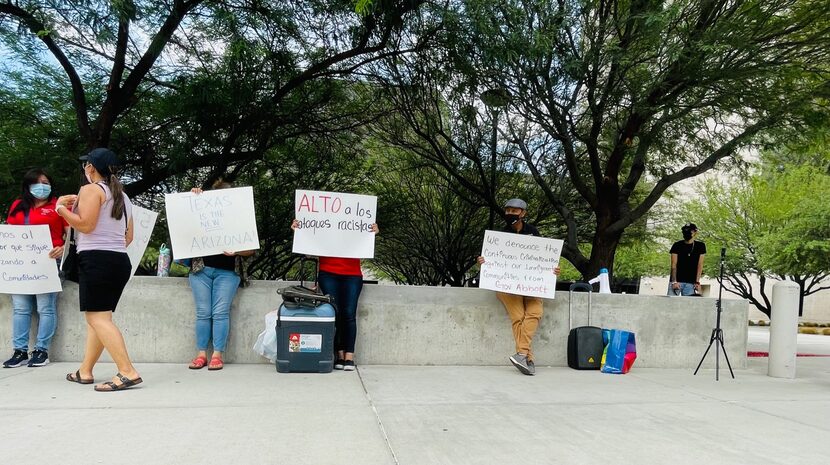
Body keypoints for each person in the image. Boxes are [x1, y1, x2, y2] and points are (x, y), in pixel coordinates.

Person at [55, 148, 142, 391]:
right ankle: (85, 371)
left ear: (90, 167)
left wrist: (60, 209)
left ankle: (127, 371)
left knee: (96, 318)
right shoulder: (124, 197)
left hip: (96, 260)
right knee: (100, 318)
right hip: (118, 260)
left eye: (86, 165)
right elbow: (129, 237)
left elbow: (86, 225)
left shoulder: (91, 190)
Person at [477, 198, 560, 376]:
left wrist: (552, 269)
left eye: (514, 211)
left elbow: (543, 258)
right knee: (519, 317)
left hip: (531, 285)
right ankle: (527, 358)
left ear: (523, 214)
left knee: (535, 312)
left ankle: (522, 354)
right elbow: (491, 261)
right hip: (507, 286)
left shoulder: (533, 233)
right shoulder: (499, 236)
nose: (510, 214)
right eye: (507, 211)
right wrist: (483, 261)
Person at [290, 220, 379, 371]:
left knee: (349, 314)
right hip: (328, 274)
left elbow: (364, 245)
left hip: (352, 275)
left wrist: (372, 233)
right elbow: (308, 249)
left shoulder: (355, 226)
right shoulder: (324, 225)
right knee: (335, 313)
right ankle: (340, 354)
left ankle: (349, 355)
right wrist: (299, 232)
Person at [3, 168, 68, 368]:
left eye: (46, 183)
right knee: (21, 308)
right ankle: (19, 351)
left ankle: (41, 350)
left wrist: (63, 248)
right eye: (38, 182)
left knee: (45, 308)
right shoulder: (16, 206)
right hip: (19, 265)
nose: (42, 186)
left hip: (48, 263)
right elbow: (8, 233)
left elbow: (72, 235)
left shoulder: (58, 206)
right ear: (28, 185)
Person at [187, 180, 255, 371]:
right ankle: (201, 354)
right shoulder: (203, 210)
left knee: (220, 312)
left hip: (228, 272)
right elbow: (185, 221)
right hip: (201, 270)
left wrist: (237, 252)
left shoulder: (242, 219)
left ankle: (217, 354)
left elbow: (250, 250)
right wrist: (192, 198)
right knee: (203, 312)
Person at [669, 223, 706, 296]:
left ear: (695, 232)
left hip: (691, 283)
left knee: (688, 305)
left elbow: (700, 265)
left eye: (690, 230)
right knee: (670, 304)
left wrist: (697, 282)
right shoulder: (677, 245)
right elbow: (673, 264)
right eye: (685, 230)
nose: (687, 232)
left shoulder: (700, 246)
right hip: (677, 281)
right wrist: (674, 281)